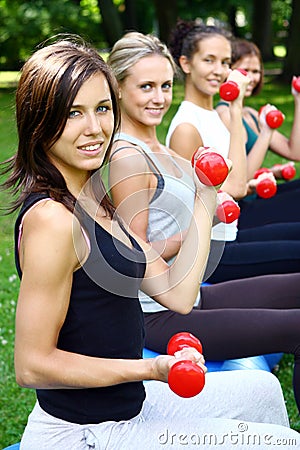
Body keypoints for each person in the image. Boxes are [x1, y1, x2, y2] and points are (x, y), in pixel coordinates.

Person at [1, 35, 297, 450]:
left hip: (127, 409)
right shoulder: (52, 219)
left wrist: (205, 196)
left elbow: (178, 295)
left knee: (261, 391)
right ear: (40, 119)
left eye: (102, 109)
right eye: (73, 113)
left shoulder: (96, 204)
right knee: (282, 444)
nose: (95, 128)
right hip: (86, 434)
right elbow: (32, 366)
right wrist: (151, 368)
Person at [107, 30, 300, 420]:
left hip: (192, 294)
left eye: (164, 86)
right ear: (118, 88)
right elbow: (129, 255)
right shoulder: (127, 157)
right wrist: (200, 219)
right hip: (156, 316)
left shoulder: (156, 145)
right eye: (145, 86)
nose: (159, 98)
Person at [165, 18, 300, 283]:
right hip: (210, 252)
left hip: (230, 234)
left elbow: (238, 179)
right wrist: (236, 108)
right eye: (209, 60)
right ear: (185, 64)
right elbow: (237, 188)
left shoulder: (211, 116)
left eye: (225, 62)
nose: (219, 70)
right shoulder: (187, 127)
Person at [216, 37, 300, 230]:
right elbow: (241, 180)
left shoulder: (251, 115)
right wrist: (267, 132)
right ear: (229, 71)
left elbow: (295, 152)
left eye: (256, 72)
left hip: (258, 196)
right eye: (245, 71)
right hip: (241, 209)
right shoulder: (225, 115)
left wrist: (298, 99)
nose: (251, 78)